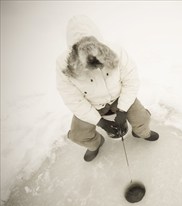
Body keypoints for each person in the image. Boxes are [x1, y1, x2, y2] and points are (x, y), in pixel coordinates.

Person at [56, 15, 159, 162]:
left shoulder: (115, 50)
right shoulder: (63, 65)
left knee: (142, 118)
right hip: (92, 104)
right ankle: (95, 144)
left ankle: (141, 132)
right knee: (78, 135)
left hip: (119, 97)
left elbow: (131, 81)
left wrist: (123, 109)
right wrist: (100, 122)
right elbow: (73, 100)